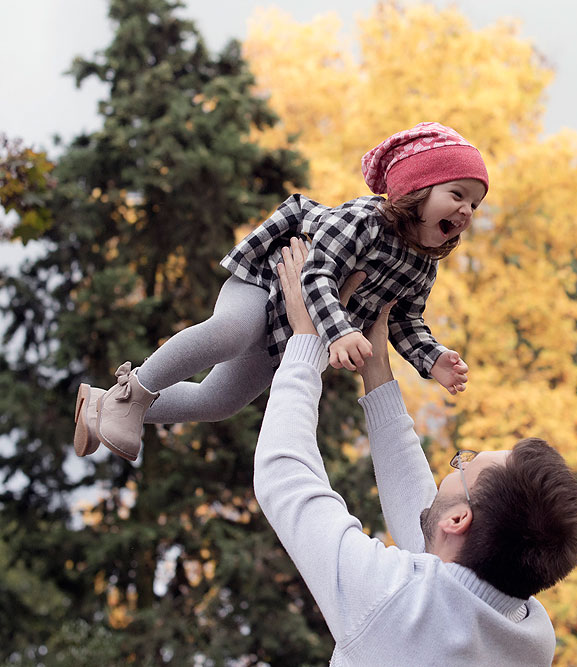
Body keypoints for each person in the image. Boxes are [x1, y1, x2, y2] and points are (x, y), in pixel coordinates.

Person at [253, 237, 577, 665]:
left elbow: (283, 475)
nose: (454, 467)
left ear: (459, 517)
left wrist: (305, 342)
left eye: (465, 464)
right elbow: (433, 550)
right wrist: (377, 375)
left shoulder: (390, 599)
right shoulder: (528, 634)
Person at [73, 122, 485, 462]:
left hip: (291, 332)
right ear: (415, 189)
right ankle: (132, 394)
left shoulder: (423, 264)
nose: (466, 210)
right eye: (457, 194)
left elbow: (403, 318)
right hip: (267, 284)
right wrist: (340, 332)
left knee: (219, 400)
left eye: (475, 204)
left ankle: (102, 405)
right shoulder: (363, 221)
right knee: (231, 332)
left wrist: (432, 360)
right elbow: (316, 275)